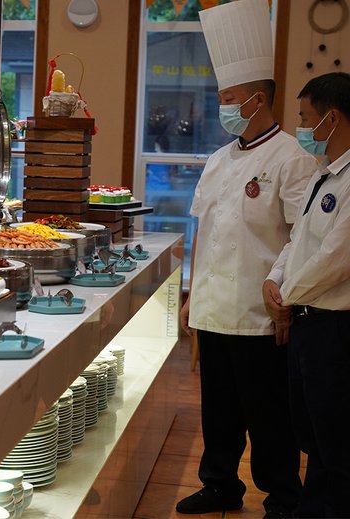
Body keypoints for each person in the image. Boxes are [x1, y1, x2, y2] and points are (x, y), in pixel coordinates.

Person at [176, 0, 319, 516]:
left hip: (261, 313)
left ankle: (282, 496)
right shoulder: (217, 160)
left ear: (257, 100)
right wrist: (191, 297)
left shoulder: (292, 159)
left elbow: (304, 236)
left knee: (268, 414)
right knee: (218, 410)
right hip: (214, 307)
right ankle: (220, 484)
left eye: (229, 98)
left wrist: (286, 301)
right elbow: (204, 229)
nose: (222, 106)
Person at [263, 72, 350, 518]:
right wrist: (274, 279)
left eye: (304, 117)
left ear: (331, 119)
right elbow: (298, 240)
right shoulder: (324, 174)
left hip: (335, 327)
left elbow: (336, 257)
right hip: (306, 322)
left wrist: (286, 298)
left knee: (337, 436)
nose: (300, 126)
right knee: (312, 431)